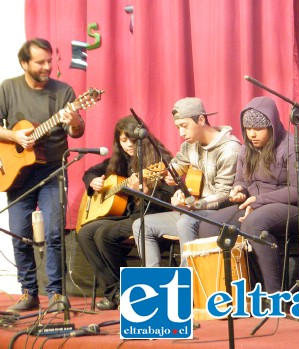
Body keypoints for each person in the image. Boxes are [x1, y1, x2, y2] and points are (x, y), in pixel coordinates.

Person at [0, 38, 85, 312]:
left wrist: (74, 121)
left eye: (50, 61)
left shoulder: (64, 92)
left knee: (54, 232)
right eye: (40, 62)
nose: (47, 66)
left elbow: (77, 132)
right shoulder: (8, 88)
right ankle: (28, 293)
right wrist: (13, 135)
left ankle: (57, 294)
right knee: (19, 233)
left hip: (52, 170)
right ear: (24, 63)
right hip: (16, 173)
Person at [197, 96, 299, 293]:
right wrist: (238, 190)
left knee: (254, 223)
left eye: (258, 129)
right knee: (209, 226)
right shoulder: (246, 150)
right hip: (254, 205)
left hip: (294, 208)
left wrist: (258, 200)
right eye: (248, 129)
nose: (252, 134)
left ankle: (274, 296)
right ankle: (234, 293)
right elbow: (241, 181)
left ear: (272, 126)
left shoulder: (295, 148)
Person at [77, 116, 175, 310]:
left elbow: (169, 200)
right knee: (84, 233)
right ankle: (116, 291)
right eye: (123, 140)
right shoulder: (120, 159)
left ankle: (123, 292)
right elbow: (91, 171)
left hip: (151, 216)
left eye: (132, 139)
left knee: (104, 235)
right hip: (126, 215)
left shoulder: (160, 160)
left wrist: (146, 192)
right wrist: (92, 182)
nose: (128, 144)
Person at [131, 97, 240, 267]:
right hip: (193, 212)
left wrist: (194, 205)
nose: (181, 133)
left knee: (185, 222)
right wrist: (169, 175)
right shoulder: (189, 145)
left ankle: (187, 285)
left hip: (221, 213)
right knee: (141, 224)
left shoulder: (229, 149)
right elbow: (177, 165)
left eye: (184, 126)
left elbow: (224, 194)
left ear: (201, 119)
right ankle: (154, 286)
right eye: (177, 127)